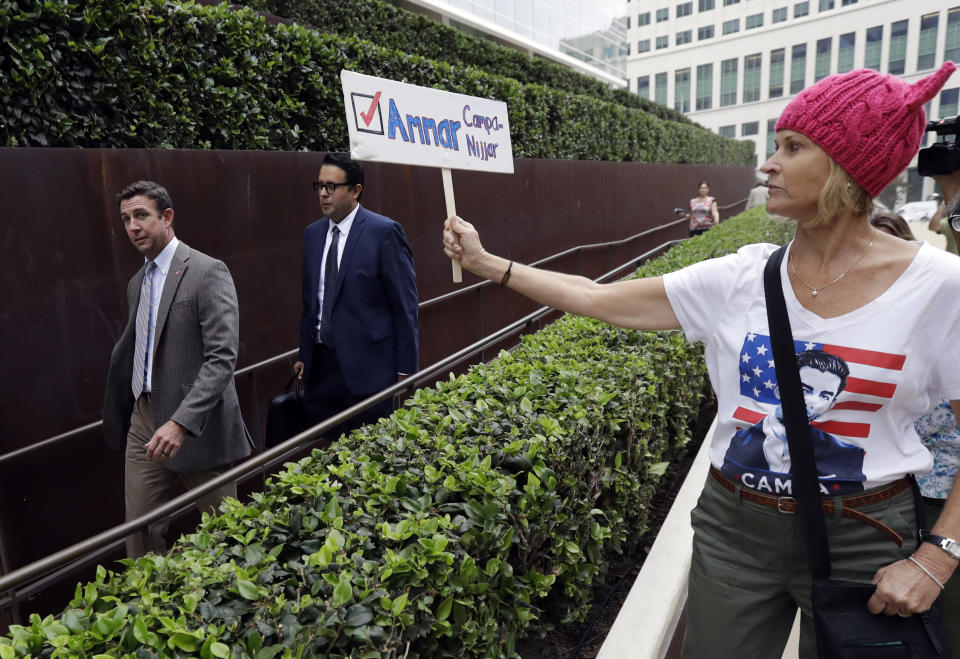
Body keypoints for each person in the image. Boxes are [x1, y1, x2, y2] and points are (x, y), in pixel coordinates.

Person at [443, 61, 959, 658]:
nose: (769, 164)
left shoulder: (939, 288)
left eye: (793, 147)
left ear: (848, 167)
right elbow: (596, 297)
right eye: (775, 146)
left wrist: (936, 558)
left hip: (867, 535)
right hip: (734, 528)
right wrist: (489, 265)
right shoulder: (740, 276)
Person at [103, 180, 253, 559]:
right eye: (125, 219)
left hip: (197, 424)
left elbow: (222, 358)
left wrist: (181, 421)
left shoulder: (207, 271)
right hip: (144, 420)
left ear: (167, 217)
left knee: (229, 536)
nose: (133, 226)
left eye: (141, 215)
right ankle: (153, 611)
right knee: (138, 535)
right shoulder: (137, 283)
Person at [294, 153, 419, 436]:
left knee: (369, 459)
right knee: (328, 458)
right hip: (321, 371)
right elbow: (310, 302)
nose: (323, 194)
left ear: (356, 190)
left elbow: (405, 306)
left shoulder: (384, 232)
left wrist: (407, 371)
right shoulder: (312, 234)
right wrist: (305, 352)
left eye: (332, 187)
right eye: (319, 186)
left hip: (370, 371)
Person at [723, 349, 866, 494]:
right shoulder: (737, 441)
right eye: (804, 390)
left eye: (824, 396)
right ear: (779, 389)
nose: (812, 402)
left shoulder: (847, 456)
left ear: (832, 404)